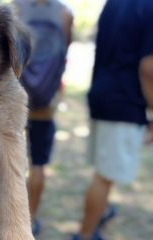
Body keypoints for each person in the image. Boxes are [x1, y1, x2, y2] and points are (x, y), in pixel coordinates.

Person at [0, 0, 73, 236]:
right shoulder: (65, 13)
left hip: (11, 94)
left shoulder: (11, 9)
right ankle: (31, 217)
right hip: (44, 101)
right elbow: (63, 53)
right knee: (38, 161)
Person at [72, 0, 153, 239]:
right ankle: (86, 235)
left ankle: (102, 212)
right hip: (124, 101)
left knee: (105, 169)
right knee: (105, 176)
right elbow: (148, 68)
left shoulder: (113, 3)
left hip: (102, 93)